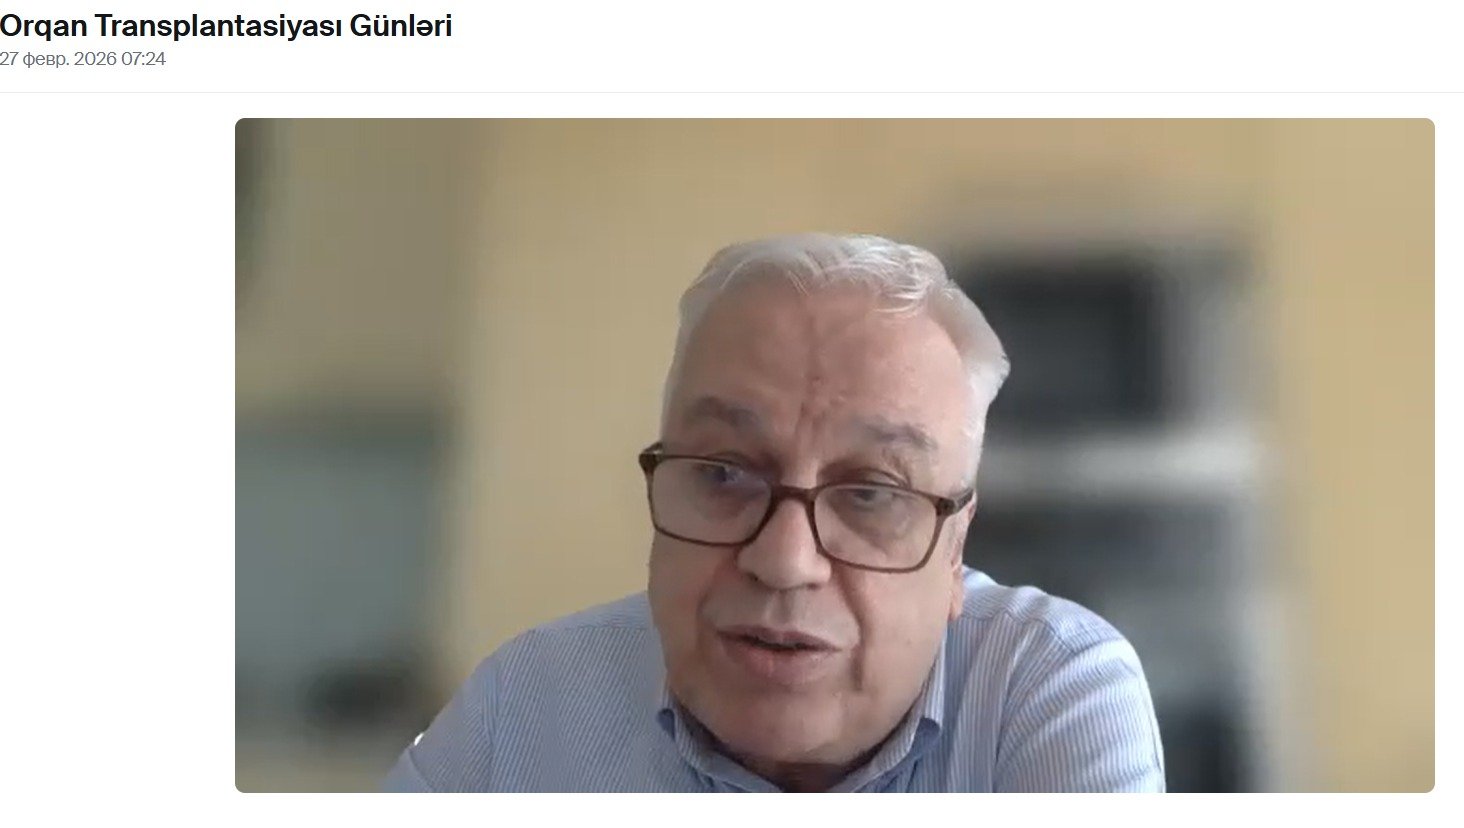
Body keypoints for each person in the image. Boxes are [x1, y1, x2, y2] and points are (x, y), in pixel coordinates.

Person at [384, 233, 1165, 792]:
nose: (785, 561)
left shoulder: (1046, 691)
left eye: (871, 493)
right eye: (725, 474)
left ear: (954, 549)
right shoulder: (526, 706)